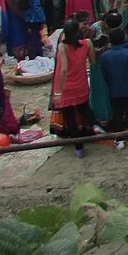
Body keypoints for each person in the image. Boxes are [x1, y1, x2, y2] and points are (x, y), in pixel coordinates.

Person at [50, 19, 94, 156]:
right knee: (84, 109)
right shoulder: (87, 43)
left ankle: (79, 149)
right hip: (80, 84)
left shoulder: (62, 47)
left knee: (70, 118)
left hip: (65, 87)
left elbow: (63, 69)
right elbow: (93, 62)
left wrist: (58, 92)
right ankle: (96, 126)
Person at [98, 27, 128, 147]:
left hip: (114, 90)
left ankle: (119, 139)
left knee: (117, 114)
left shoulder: (104, 56)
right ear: (124, 39)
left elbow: (105, 74)